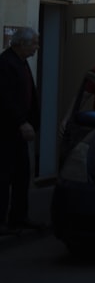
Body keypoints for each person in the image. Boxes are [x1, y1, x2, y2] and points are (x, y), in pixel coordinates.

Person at [0, 27, 40, 233]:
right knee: (4, 175)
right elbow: (6, 98)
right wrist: (20, 122)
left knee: (21, 175)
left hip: (20, 131)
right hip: (7, 131)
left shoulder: (21, 63)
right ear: (21, 44)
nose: (36, 48)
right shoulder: (6, 63)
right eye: (33, 43)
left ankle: (19, 217)